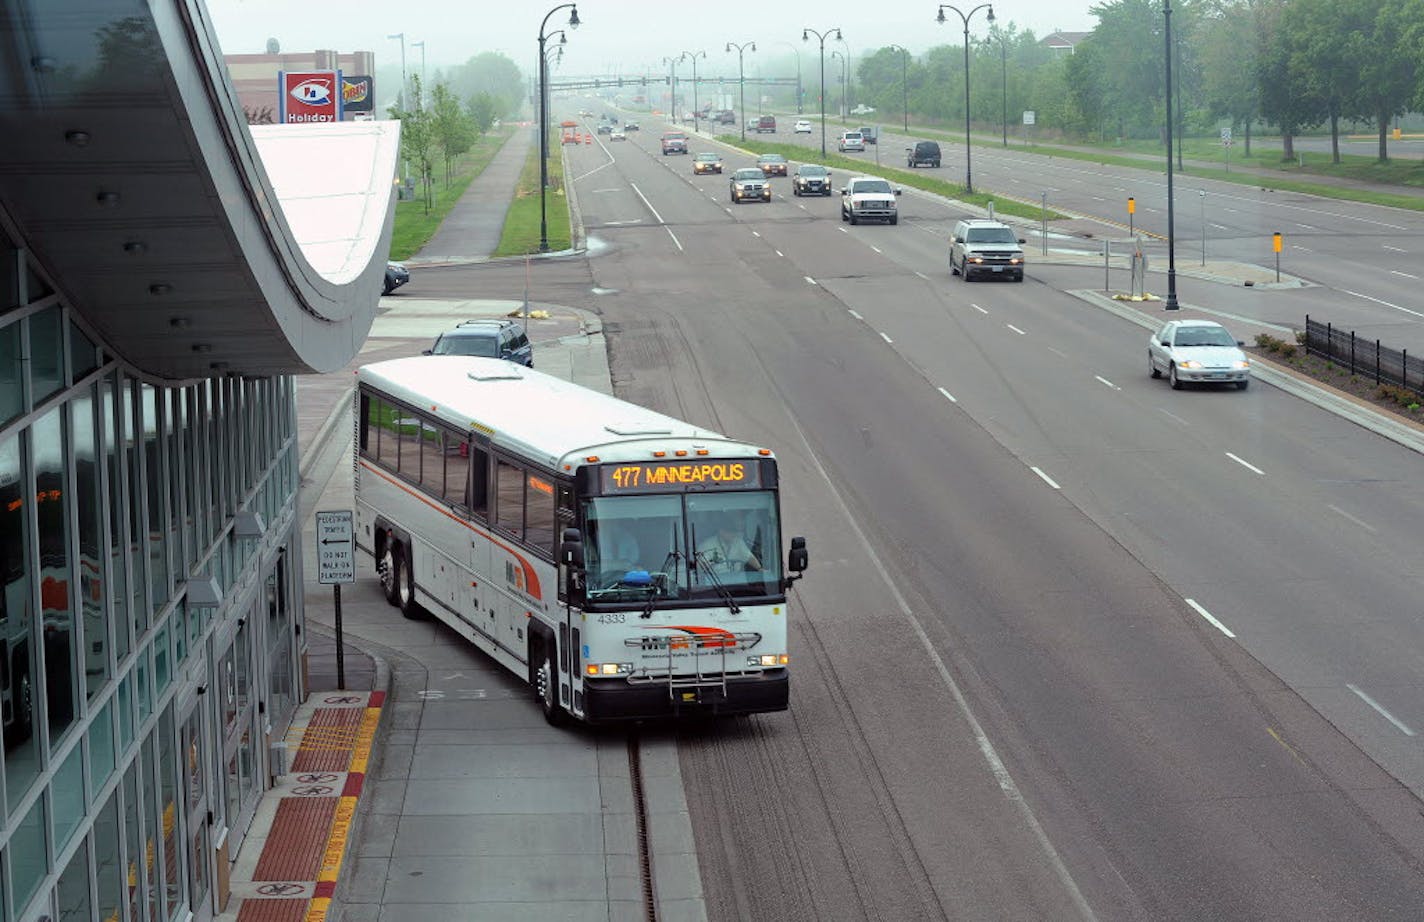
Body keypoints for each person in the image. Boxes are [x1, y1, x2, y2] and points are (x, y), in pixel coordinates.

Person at [697, 516, 761, 572]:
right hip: (715, 582)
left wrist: (759, 568)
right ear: (721, 531)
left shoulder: (738, 542)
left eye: (734, 532)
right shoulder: (707, 545)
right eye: (729, 532)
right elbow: (699, 567)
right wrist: (712, 561)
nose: (733, 535)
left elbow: (749, 557)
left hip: (736, 581)